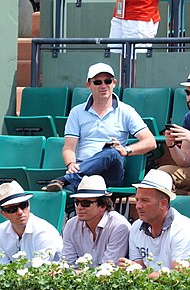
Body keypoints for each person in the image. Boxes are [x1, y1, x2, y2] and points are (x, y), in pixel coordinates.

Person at [43, 63, 156, 194]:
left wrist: (126, 150)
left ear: (114, 83)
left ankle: (67, 180)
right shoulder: (77, 112)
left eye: (107, 81)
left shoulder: (126, 111)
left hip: (110, 174)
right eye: (97, 82)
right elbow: (69, 147)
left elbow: (150, 142)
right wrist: (70, 164)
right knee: (99, 160)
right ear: (88, 85)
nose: (103, 86)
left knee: (112, 152)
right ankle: (72, 178)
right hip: (83, 170)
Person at [119, 169, 190, 275]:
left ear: (163, 204)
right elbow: (138, 266)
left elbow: (179, 274)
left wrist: (141, 273)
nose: (138, 206)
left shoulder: (183, 229)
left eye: (145, 200)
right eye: (137, 200)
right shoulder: (136, 227)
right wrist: (131, 267)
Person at [60, 175, 131, 267]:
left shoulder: (119, 226)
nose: (79, 207)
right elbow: (67, 264)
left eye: (86, 203)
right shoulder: (71, 225)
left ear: (103, 206)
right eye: (77, 202)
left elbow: (108, 269)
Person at [0, 180, 63, 264]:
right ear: (4, 214)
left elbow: (41, 270)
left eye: (23, 205)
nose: (20, 212)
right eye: (12, 209)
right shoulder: (2, 230)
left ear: (29, 204)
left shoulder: (43, 231)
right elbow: (0, 266)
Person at [160, 73, 190, 195]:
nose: (189, 98)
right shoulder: (188, 118)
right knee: (161, 174)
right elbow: (184, 162)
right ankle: (166, 213)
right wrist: (171, 145)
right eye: (188, 93)